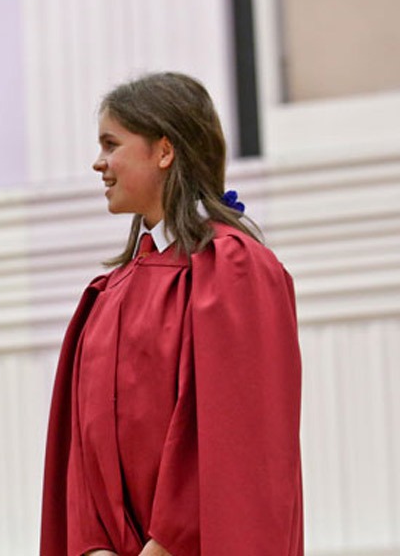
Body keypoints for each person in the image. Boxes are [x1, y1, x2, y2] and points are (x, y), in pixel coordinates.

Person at [40, 72, 304, 556]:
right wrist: (94, 547)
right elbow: (83, 453)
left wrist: (165, 547)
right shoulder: (108, 295)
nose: (98, 163)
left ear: (164, 151)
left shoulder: (234, 270)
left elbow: (239, 439)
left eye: (111, 143)